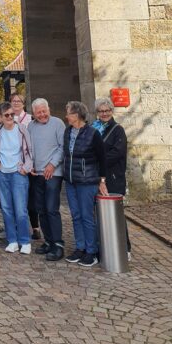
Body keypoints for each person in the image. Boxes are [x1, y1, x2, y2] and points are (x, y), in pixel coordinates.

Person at [63, 100, 108, 267]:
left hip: (87, 181)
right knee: (75, 216)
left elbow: (102, 159)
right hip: (71, 181)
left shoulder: (93, 133)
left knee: (87, 216)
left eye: (68, 113)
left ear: (76, 115)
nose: (66, 116)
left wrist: (102, 180)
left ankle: (91, 250)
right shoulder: (67, 132)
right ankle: (80, 247)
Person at [28, 98, 66, 261]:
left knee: (51, 209)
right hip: (37, 174)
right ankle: (48, 241)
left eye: (44, 111)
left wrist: (52, 164)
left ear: (48, 109)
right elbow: (28, 148)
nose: (42, 114)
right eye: (38, 112)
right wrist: (29, 165)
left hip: (53, 173)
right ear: (34, 114)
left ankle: (58, 244)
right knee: (41, 209)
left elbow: (62, 146)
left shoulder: (58, 124)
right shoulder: (31, 126)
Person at [93, 97, 131, 255]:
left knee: (116, 214)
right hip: (97, 176)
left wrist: (98, 161)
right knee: (100, 214)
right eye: (101, 111)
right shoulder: (94, 128)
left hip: (113, 177)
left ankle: (124, 248)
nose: (104, 114)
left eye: (107, 111)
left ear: (111, 111)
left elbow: (117, 152)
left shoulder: (117, 130)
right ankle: (105, 247)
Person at [0, 101, 33, 254]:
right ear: (0, 117)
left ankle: (24, 240)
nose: (10, 117)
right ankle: (12, 240)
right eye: (7, 115)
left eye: (12, 114)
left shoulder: (22, 129)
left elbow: (30, 151)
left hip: (18, 173)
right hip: (2, 173)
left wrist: (26, 168)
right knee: (6, 208)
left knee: (21, 209)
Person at [11, 92, 41, 240]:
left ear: (23, 103)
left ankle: (35, 226)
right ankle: (16, 226)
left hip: (29, 164)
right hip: (14, 163)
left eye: (19, 101)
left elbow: (34, 142)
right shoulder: (7, 118)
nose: (16, 103)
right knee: (15, 197)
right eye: (14, 101)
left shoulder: (30, 119)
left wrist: (33, 163)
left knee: (31, 198)